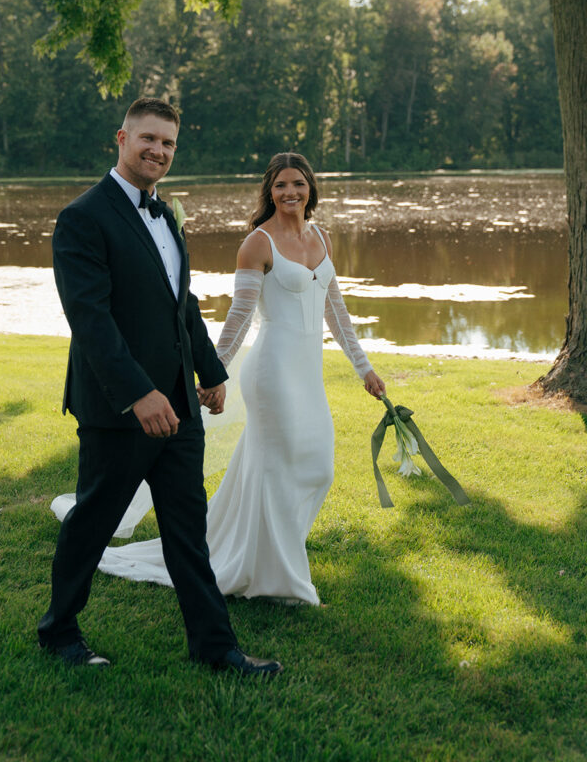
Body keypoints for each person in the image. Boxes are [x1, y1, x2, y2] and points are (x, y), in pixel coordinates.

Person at [38, 97, 282, 676]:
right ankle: (58, 630)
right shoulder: (83, 217)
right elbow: (90, 319)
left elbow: (182, 305)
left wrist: (211, 371)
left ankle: (215, 647)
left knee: (186, 530)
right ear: (121, 139)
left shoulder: (166, 214)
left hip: (179, 407)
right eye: (148, 139)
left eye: (168, 144)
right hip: (118, 408)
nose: (158, 151)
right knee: (94, 520)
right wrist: (137, 393)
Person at [97, 151, 385, 605]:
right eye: (281, 185)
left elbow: (338, 313)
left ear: (311, 188)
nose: (290, 193)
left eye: (299, 184)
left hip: (308, 375)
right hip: (271, 373)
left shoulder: (323, 238)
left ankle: (273, 554)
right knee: (276, 471)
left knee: (318, 467)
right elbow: (239, 316)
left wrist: (364, 369)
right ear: (269, 192)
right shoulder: (257, 243)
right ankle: (279, 578)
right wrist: (215, 372)